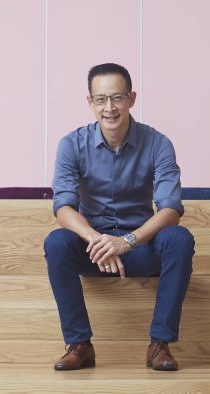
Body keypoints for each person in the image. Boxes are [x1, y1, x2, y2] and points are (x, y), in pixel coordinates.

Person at [44, 63, 194, 371]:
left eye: (117, 98)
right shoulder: (71, 144)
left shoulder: (158, 144)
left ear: (131, 99)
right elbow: (63, 207)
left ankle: (160, 344)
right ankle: (79, 344)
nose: (109, 108)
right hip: (94, 251)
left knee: (179, 239)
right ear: (90, 102)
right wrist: (98, 240)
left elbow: (170, 209)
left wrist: (126, 241)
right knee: (57, 242)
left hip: (139, 249)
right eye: (101, 99)